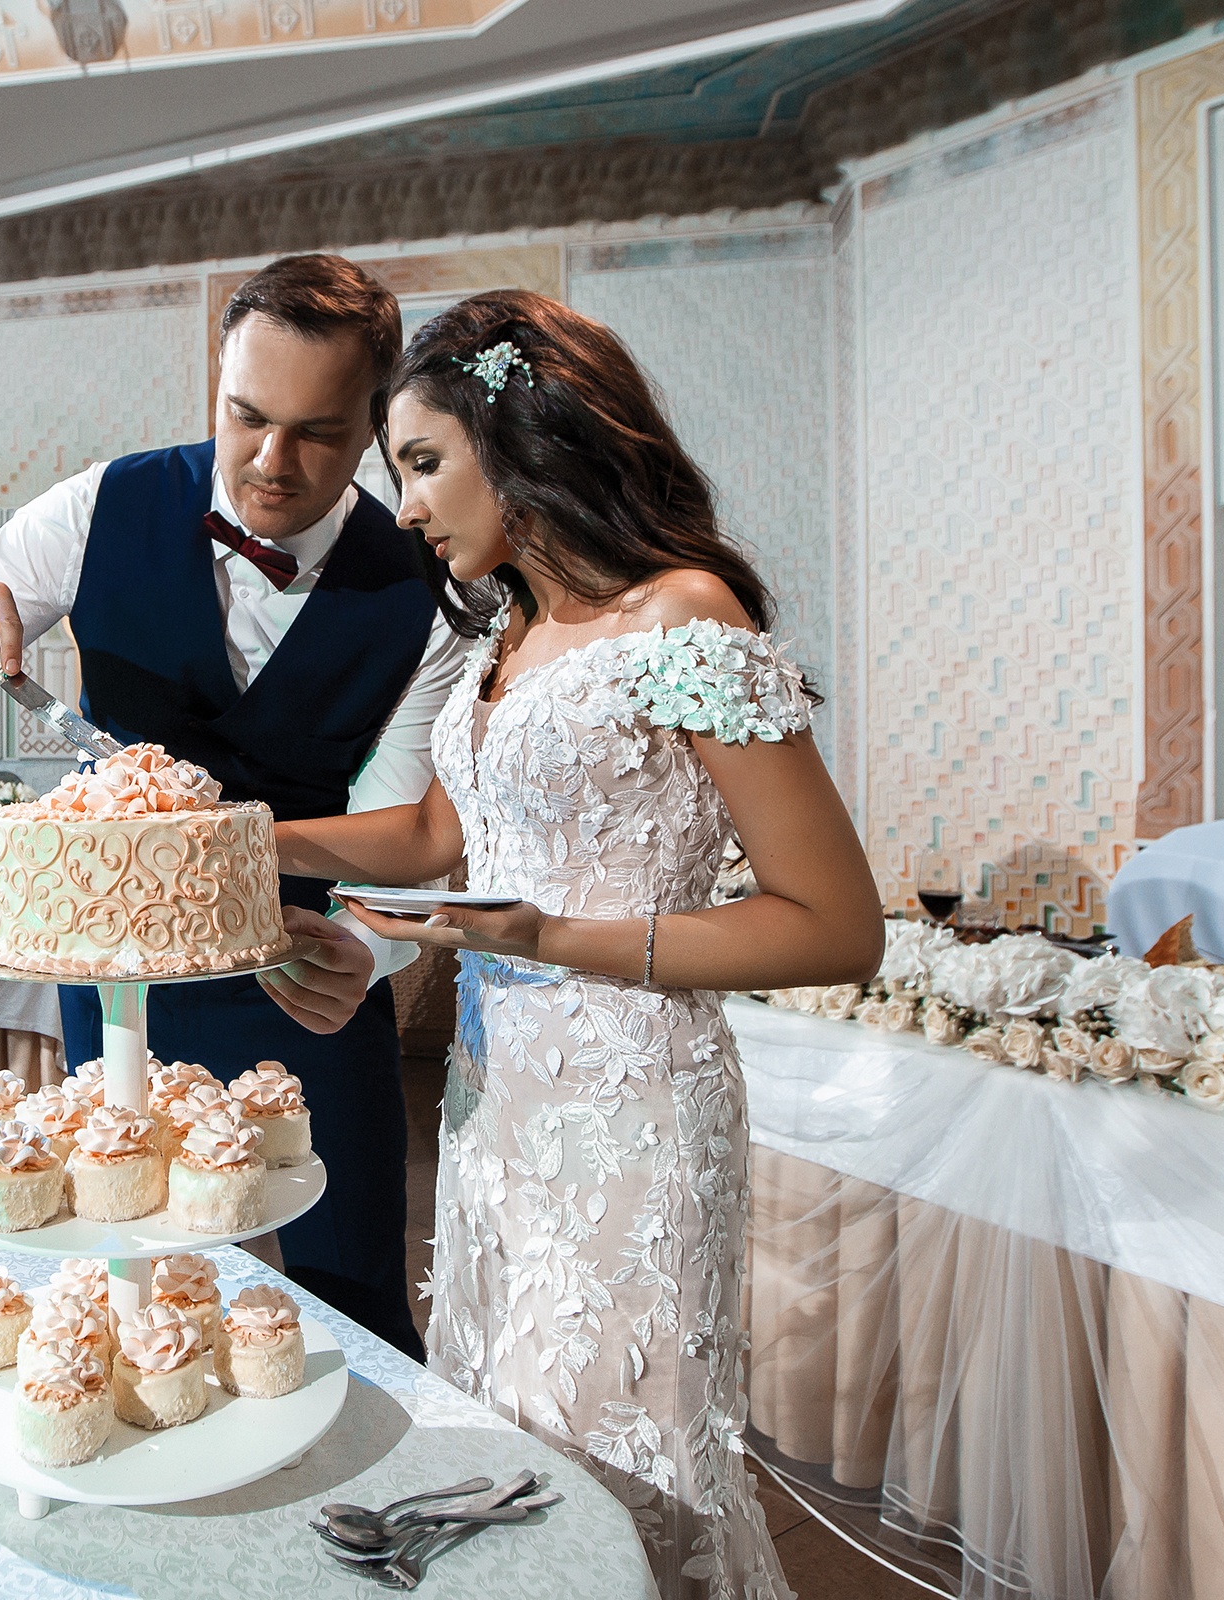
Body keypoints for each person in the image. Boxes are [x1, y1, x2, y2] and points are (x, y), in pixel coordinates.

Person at [275, 291, 885, 1598]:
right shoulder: (503, 637)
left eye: (424, 463)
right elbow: (441, 834)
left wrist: (550, 936)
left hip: (633, 1113)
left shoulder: (685, 616)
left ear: (522, 438)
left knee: (623, 1457)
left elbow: (836, 926)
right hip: (495, 1107)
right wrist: (251, 838)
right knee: (506, 1439)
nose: (410, 507)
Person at [0, 254, 470, 1359]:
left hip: (308, 979)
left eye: (319, 433)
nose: (272, 463)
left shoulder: (423, 584)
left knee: (357, 1304)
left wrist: (371, 955)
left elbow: (406, 827)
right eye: (246, 417)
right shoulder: (107, 503)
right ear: (217, 385)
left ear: (378, 427)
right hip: (123, 992)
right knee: (131, 1286)